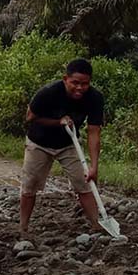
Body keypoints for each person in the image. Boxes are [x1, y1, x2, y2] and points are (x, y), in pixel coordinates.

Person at [19, 58, 105, 238]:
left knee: (84, 183)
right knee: (30, 184)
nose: (80, 88)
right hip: (39, 143)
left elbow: (94, 131)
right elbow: (30, 117)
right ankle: (23, 227)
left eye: (85, 84)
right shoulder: (48, 93)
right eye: (75, 83)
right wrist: (58, 122)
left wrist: (94, 166)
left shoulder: (95, 98)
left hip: (68, 144)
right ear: (65, 79)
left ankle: (98, 225)